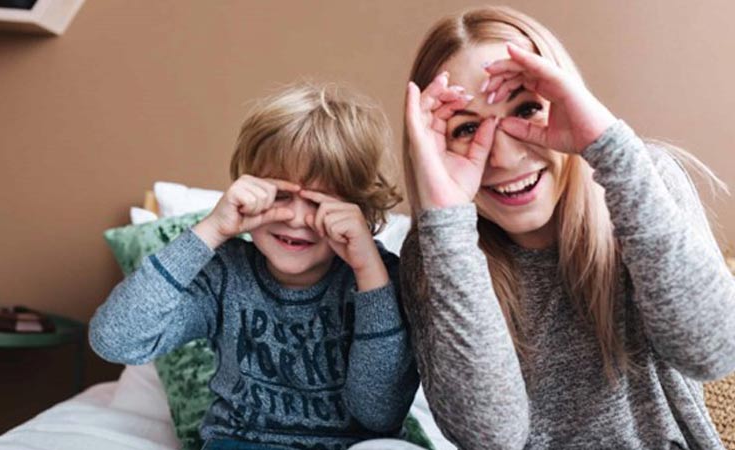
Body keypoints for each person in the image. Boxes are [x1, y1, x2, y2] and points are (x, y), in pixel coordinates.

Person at [401, 6, 735, 449]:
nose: (503, 156)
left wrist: (608, 147)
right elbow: (491, 438)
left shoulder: (641, 179)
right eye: (465, 128)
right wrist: (445, 221)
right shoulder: (436, 252)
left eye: (526, 107)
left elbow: (712, 352)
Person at [90, 82, 418, 450]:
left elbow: (381, 413)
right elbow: (115, 340)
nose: (296, 219)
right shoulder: (224, 274)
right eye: (281, 195)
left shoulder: (380, 278)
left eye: (319, 201)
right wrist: (210, 230)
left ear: (358, 209)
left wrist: (368, 271)